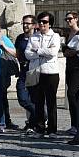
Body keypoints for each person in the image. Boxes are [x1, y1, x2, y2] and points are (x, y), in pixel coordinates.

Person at [25, 11, 61, 139]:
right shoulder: (33, 36)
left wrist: (38, 51)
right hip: (36, 72)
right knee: (38, 102)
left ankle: (52, 130)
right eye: (39, 21)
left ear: (50, 24)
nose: (41, 24)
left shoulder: (55, 36)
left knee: (51, 102)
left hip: (50, 72)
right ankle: (40, 128)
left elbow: (53, 52)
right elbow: (27, 54)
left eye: (44, 22)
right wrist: (41, 53)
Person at [62, 12, 79, 136]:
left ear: (76, 19)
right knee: (71, 95)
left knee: (72, 93)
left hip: (78, 66)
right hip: (69, 66)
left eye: (70, 19)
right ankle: (74, 124)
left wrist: (75, 51)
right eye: (67, 19)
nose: (68, 21)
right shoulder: (68, 33)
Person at [13, 16, 37, 132]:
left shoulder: (38, 37)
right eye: (24, 23)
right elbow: (17, 54)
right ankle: (39, 113)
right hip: (23, 71)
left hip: (34, 71)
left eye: (28, 23)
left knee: (33, 98)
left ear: (33, 25)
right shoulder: (20, 38)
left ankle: (31, 125)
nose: (25, 25)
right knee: (22, 98)